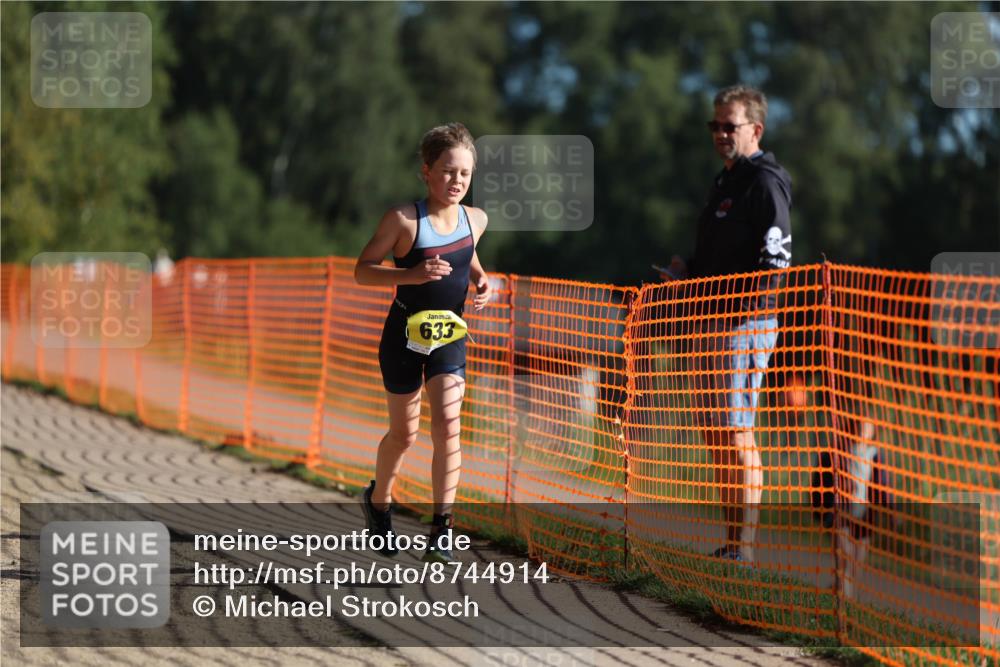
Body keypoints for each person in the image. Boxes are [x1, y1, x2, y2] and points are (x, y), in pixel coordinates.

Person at [659, 84, 792, 563]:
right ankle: (733, 542)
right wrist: (687, 273)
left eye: (728, 125)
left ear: (755, 129)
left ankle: (747, 548)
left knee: (736, 431)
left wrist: (743, 309)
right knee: (716, 433)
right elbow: (721, 257)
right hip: (707, 322)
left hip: (742, 324)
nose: (719, 133)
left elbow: (776, 260)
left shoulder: (764, 182)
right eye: (714, 124)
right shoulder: (725, 181)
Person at [354, 122, 491, 563]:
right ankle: (378, 505)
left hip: (449, 336)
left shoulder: (476, 219)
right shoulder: (403, 220)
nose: (457, 181)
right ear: (427, 172)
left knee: (449, 424)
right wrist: (409, 275)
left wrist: (481, 278)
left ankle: (442, 528)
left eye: (465, 174)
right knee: (405, 434)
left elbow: (465, 251)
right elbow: (363, 269)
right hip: (403, 338)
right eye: (449, 171)